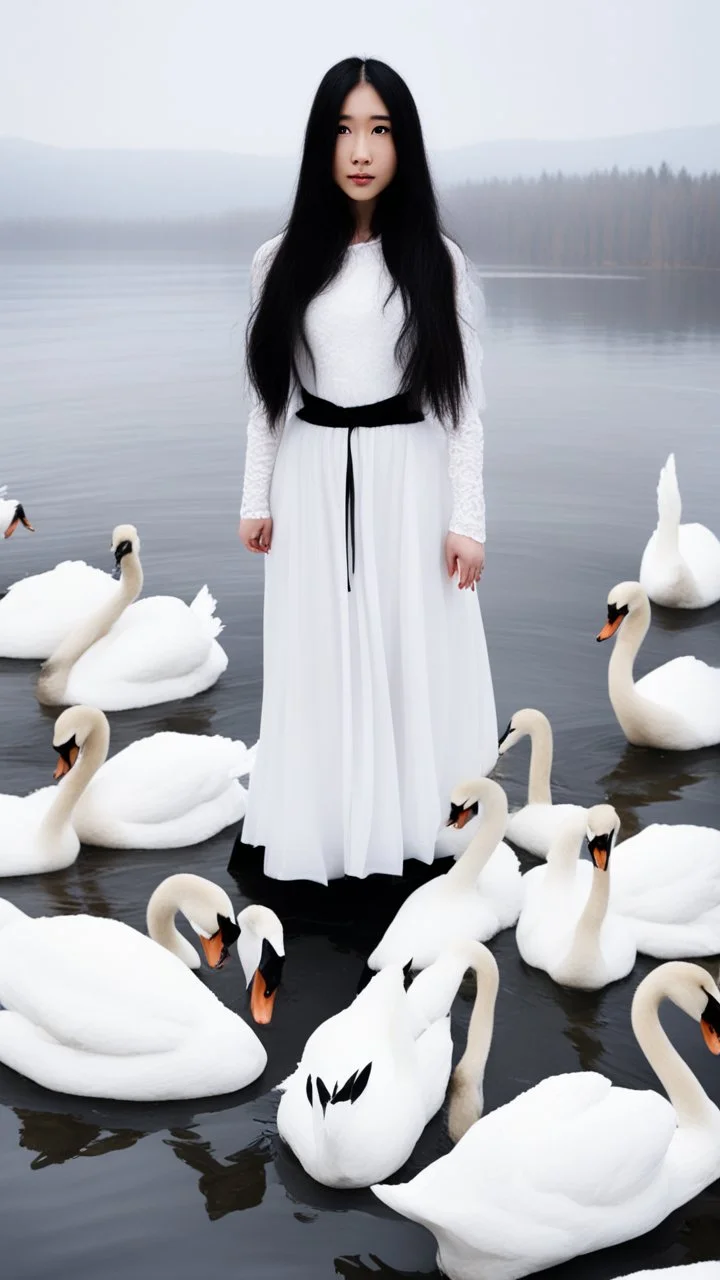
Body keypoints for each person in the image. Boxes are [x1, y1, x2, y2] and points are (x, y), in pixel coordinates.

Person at [238, 56, 497, 884]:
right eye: (344, 130)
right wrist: (254, 496)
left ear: (401, 144)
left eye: (379, 130)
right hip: (311, 480)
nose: (360, 149)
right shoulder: (277, 259)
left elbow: (461, 405)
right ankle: (323, 824)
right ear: (322, 144)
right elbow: (267, 397)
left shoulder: (435, 261)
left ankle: (411, 822)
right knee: (318, 652)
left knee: (402, 647)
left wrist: (468, 519)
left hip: (406, 477)